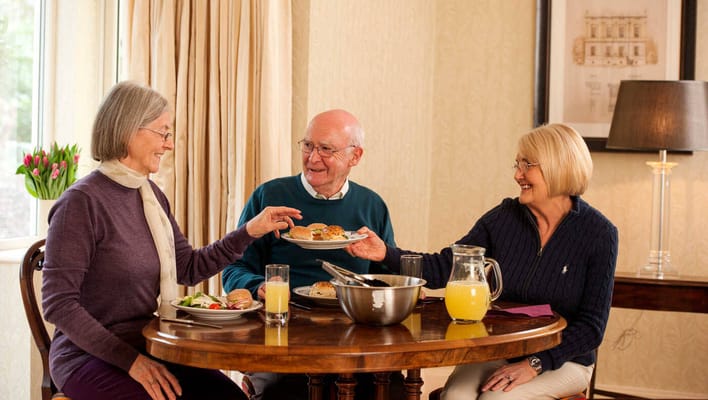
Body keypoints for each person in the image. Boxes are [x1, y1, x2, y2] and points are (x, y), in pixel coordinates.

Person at [41, 81, 302, 400]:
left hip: (149, 344)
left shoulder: (151, 197)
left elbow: (188, 267)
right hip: (87, 358)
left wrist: (250, 230)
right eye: (163, 133)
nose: (169, 144)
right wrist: (132, 363)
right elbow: (59, 305)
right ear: (128, 131)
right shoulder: (81, 203)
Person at [347, 123, 618, 400]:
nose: (517, 175)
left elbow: (591, 328)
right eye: (517, 164)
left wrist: (536, 364)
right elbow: (447, 266)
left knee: (496, 398)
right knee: (455, 397)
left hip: (564, 360)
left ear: (559, 167)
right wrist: (385, 253)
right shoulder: (504, 217)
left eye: (527, 165)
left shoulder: (599, 234)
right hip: (501, 349)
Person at [221, 109, 399, 399]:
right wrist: (259, 287)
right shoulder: (270, 197)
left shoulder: (372, 205)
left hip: (356, 335)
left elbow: (388, 278)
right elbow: (233, 270)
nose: (312, 158)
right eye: (307, 146)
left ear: (355, 156)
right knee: (287, 391)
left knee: (391, 390)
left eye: (326, 149)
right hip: (284, 333)